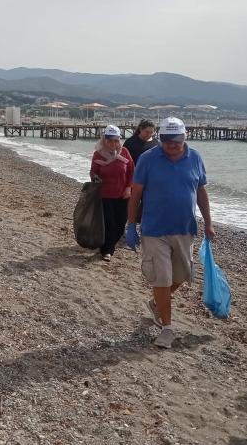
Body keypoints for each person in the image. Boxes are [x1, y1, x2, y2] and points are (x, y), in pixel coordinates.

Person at [125, 117, 214, 349]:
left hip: (185, 228)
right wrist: (131, 225)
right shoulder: (147, 159)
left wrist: (209, 222)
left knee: (183, 275)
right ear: (161, 139)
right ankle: (167, 327)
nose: (171, 146)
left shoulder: (195, 158)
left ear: (185, 137)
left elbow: (201, 191)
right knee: (162, 277)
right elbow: (135, 194)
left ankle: (157, 302)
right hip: (154, 230)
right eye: (166, 141)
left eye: (176, 141)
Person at [90, 125, 134, 262]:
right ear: (104, 140)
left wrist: (128, 188)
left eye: (116, 141)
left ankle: (109, 245)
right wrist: (95, 178)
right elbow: (93, 171)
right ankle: (107, 250)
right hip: (105, 195)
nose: (113, 144)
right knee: (109, 224)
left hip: (122, 195)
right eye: (110, 141)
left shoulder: (125, 152)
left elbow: (132, 171)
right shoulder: (98, 154)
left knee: (121, 224)